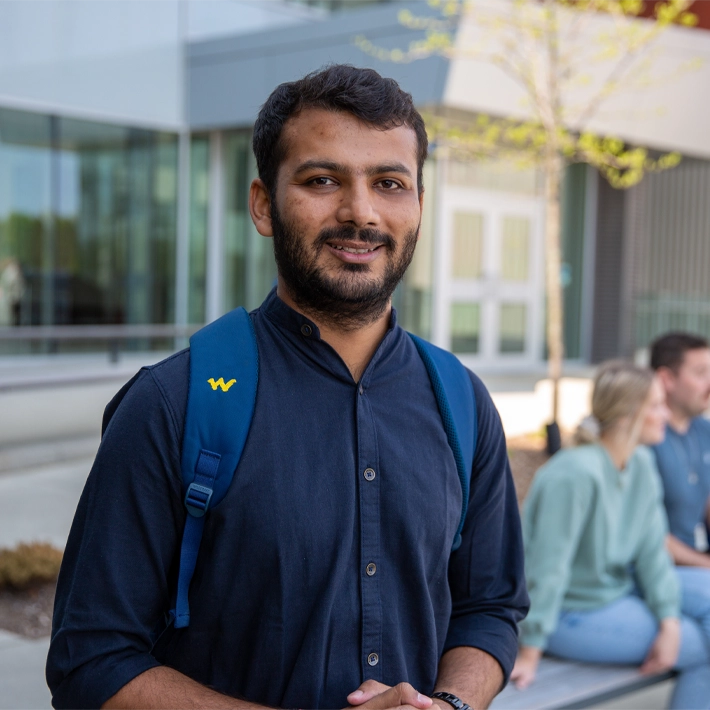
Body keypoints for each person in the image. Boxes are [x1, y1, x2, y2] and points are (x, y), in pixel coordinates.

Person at [46, 65, 528, 710]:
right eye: (322, 180)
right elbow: (92, 659)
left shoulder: (462, 402)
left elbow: (489, 608)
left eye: (390, 183)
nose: (361, 211)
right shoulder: (174, 402)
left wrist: (450, 704)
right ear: (263, 205)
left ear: (416, 205)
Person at [511, 361, 710, 709]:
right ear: (627, 416)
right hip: (568, 613)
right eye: (657, 405)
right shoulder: (574, 474)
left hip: (615, 591)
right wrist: (529, 652)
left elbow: (652, 553)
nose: (666, 414)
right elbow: (547, 569)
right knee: (699, 644)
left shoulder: (641, 464)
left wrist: (669, 620)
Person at [650, 332, 710, 569]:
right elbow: (645, 532)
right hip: (662, 567)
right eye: (701, 373)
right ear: (667, 379)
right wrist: (705, 564)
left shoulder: (704, 429)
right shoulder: (647, 439)